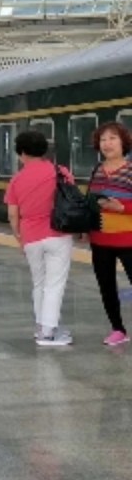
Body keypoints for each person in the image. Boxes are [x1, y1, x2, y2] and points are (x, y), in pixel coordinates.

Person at [4, 130, 74, 346]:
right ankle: (48, 333)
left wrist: (19, 237)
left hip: (31, 237)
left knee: (39, 283)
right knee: (54, 284)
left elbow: (13, 214)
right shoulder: (60, 171)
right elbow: (72, 201)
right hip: (58, 234)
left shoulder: (17, 179)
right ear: (44, 150)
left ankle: (41, 327)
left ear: (22, 153)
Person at [88, 121, 132, 346]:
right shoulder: (97, 170)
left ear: (123, 142)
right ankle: (118, 329)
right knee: (106, 287)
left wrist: (122, 207)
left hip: (128, 239)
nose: (107, 143)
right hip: (100, 239)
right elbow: (90, 201)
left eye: (112, 138)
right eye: (103, 139)